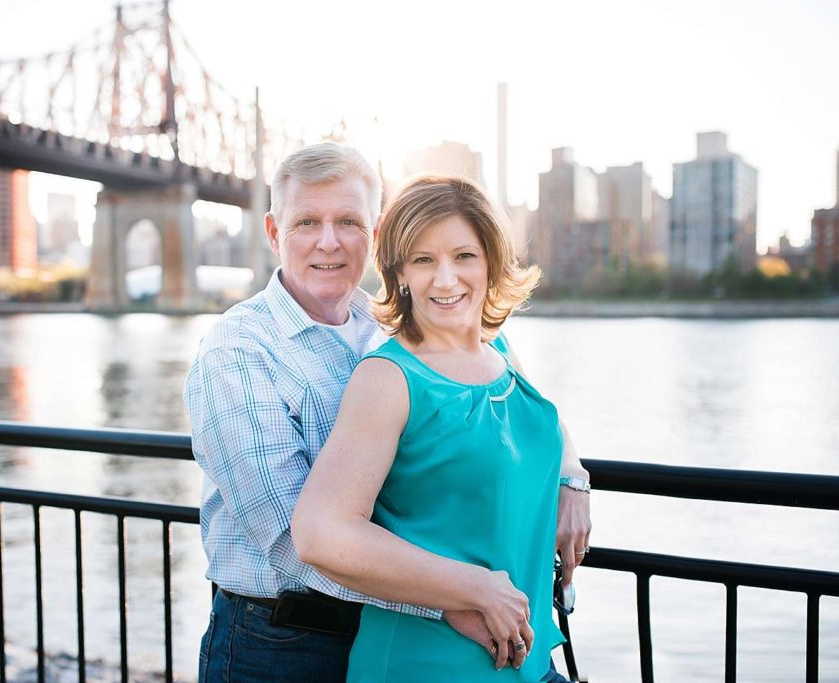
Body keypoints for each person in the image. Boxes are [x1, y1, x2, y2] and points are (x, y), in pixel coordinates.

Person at [185, 144, 590, 682]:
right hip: (281, 644)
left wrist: (572, 477)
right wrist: (454, 601)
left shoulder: (396, 327)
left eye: (347, 222)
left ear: (373, 236)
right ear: (273, 232)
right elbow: (294, 541)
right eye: (307, 221)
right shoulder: (238, 351)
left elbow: (524, 407)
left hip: (413, 631)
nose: (328, 242)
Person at [292, 175, 584, 681]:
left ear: (491, 260)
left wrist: (572, 475)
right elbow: (320, 533)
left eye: (464, 256)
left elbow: (540, 422)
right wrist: (476, 588)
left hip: (530, 663)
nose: (446, 280)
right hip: (428, 663)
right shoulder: (389, 377)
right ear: (400, 273)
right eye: (424, 260)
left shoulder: (496, 349)